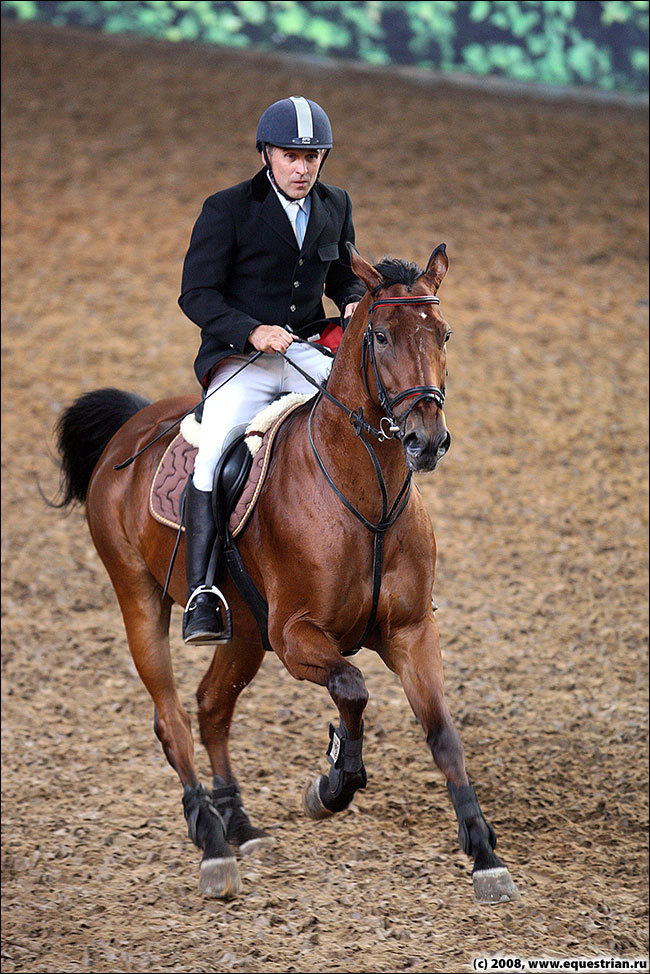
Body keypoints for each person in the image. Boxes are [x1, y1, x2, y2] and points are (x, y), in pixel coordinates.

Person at [178, 96, 364, 645]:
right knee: (212, 453)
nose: (303, 168)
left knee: (371, 421)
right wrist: (250, 331)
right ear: (267, 154)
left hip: (305, 350)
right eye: (291, 156)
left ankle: (383, 558)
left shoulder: (336, 204)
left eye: (313, 157)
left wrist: (354, 299)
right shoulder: (227, 208)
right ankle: (202, 593)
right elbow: (196, 294)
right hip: (245, 360)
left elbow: (343, 277)